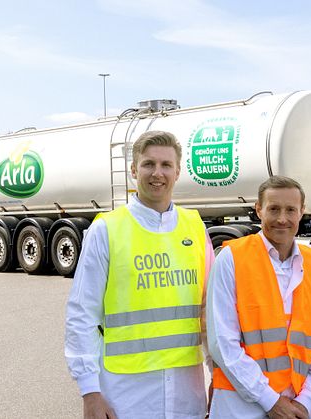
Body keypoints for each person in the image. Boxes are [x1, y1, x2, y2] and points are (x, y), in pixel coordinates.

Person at [65, 130, 214, 419]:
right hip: (127, 396)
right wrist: (90, 392)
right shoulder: (106, 230)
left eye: (166, 165)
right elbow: (82, 313)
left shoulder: (195, 229)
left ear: (178, 172)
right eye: (148, 164)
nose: (157, 173)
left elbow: (209, 313)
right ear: (134, 170)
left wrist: (217, 377)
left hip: (187, 392)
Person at [206, 176, 311, 419]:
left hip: (298, 409)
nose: (282, 218)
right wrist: (271, 401)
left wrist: (306, 401)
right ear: (259, 210)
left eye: (290, 210)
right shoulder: (231, 259)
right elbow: (222, 344)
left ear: (302, 211)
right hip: (242, 408)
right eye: (273, 209)